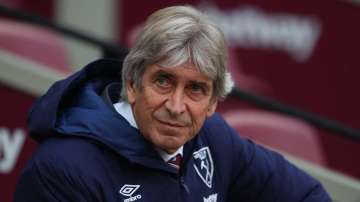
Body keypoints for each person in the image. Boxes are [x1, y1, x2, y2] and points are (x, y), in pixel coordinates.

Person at [14, 5, 330, 202]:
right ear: (132, 84)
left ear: (212, 103)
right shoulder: (64, 169)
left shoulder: (215, 139)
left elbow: (307, 195)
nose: (176, 106)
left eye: (195, 89)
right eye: (163, 81)